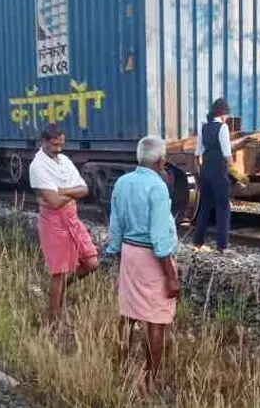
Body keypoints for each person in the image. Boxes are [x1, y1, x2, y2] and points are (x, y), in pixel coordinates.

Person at [105, 135, 180, 393]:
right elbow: (159, 238)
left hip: (129, 252)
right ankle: (150, 381)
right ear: (161, 161)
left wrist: (119, 258)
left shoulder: (122, 182)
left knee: (128, 314)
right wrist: (171, 276)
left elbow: (115, 226)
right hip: (152, 258)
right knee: (155, 319)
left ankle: (120, 370)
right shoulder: (157, 187)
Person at [28, 124, 99, 323]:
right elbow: (54, 202)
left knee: (91, 262)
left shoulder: (65, 160)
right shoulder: (37, 166)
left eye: (62, 143)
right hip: (53, 221)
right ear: (44, 142)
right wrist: (70, 193)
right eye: (55, 144)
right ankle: (54, 318)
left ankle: (59, 291)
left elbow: (85, 189)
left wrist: (61, 191)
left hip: (71, 217)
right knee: (58, 271)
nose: (59, 147)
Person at [191, 98, 233, 253]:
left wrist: (201, 169)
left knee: (205, 206)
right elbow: (227, 154)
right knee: (223, 208)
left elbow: (197, 153)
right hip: (218, 171)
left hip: (205, 171)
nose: (227, 118)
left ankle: (198, 242)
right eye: (227, 115)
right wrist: (234, 170)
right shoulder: (223, 127)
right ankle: (222, 246)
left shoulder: (204, 127)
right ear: (222, 114)